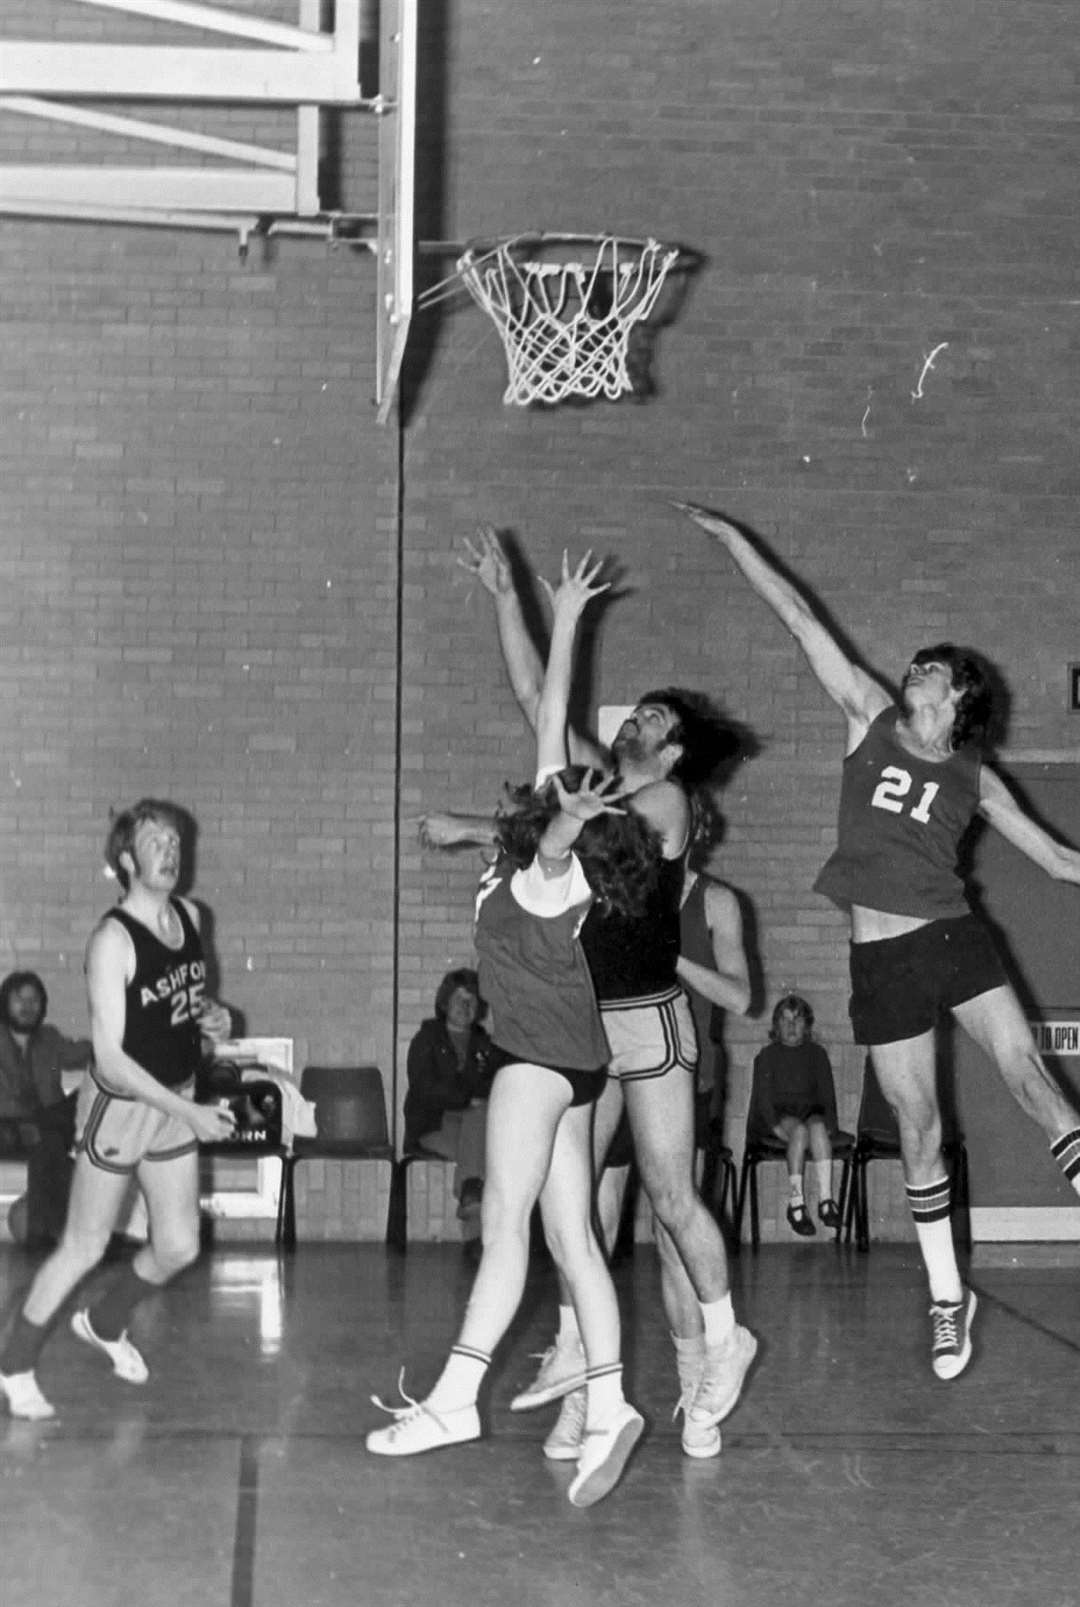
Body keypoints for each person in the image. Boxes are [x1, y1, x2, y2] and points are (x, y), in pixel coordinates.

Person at [677, 500, 1080, 1379]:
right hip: (882, 957)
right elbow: (798, 617)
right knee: (919, 1125)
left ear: (958, 695)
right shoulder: (866, 713)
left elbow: (1054, 858)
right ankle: (948, 1297)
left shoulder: (976, 774)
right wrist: (739, 540)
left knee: (1027, 1073)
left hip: (952, 935)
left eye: (930, 667)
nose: (914, 667)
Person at [441, 527, 759, 1458]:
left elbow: (562, 775)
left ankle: (725, 1331)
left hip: (649, 1021)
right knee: (578, 1207)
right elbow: (539, 701)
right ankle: (588, 1381)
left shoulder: (666, 804)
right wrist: (509, 598)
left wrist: (501, 816)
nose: (633, 722)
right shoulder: (605, 781)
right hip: (585, 1021)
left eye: (652, 719)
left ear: (678, 748)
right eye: (634, 715)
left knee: (668, 1193)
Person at [368, 555, 659, 1509]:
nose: (559, 790)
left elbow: (555, 827)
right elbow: (545, 709)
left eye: (576, 798)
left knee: (506, 1226)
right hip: (576, 1066)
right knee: (572, 1236)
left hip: (536, 1066)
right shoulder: (525, 854)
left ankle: (456, 1396)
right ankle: (612, 1402)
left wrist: (570, 819)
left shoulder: (549, 873)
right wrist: (537, 608)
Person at [0, 799, 236, 1420]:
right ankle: (15, 1363)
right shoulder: (111, 940)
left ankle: (103, 1321)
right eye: (155, 840)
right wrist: (188, 1115)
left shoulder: (190, 916)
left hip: (173, 1098)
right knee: (82, 1244)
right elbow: (111, 1055)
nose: (170, 849)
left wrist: (216, 1017)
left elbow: (187, 1005)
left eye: (176, 839)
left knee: (180, 1245)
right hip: (123, 1104)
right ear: (127, 859)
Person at [403, 968, 499, 1249]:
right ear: (445, 1003)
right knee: (483, 1150)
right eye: (459, 999)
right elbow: (424, 1089)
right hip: (433, 1125)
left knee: (478, 1136)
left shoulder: (485, 1044)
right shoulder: (426, 1040)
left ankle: (470, 1196)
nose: (465, 1006)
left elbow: (493, 1085)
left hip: (472, 1126)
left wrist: (471, 1100)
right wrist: (465, 1099)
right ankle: (476, 1240)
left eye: (471, 1001)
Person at [0, 971, 93, 1249]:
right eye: (20, 999)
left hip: (46, 1125)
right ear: (5, 1002)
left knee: (84, 1096)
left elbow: (84, 1052)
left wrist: (116, 1045)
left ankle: (41, 1235)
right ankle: (72, 1231)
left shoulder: (49, 1038)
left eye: (35, 1000)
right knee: (53, 1144)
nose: (28, 1007)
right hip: (6, 1127)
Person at [748, 995, 842, 1236]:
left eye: (798, 1020)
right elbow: (763, 1099)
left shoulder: (817, 1054)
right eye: (785, 1020)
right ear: (776, 1026)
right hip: (779, 1115)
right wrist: (775, 1126)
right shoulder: (768, 1055)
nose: (791, 1026)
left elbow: (827, 1095)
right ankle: (797, 1203)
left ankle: (825, 1201)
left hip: (810, 1112)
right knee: (799, 1131)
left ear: (807, 1026)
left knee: (817, 1128)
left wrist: (830, 1125)